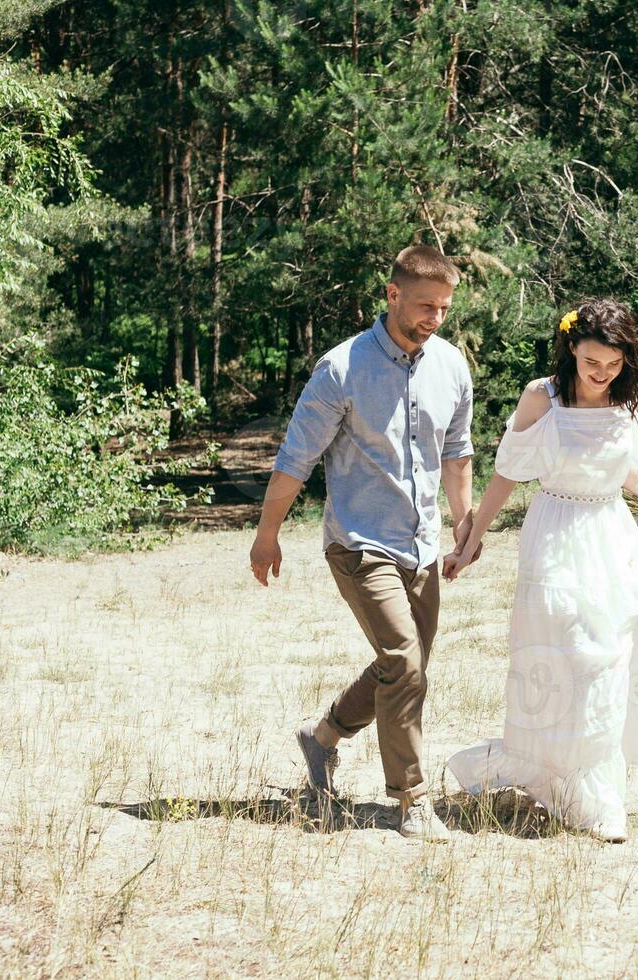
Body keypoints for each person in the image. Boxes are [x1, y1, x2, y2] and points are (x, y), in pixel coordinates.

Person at [443, 299, 638, 843]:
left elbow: (625, 474)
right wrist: (473, 537)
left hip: (608, 532)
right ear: (571, 347)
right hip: (555, 533)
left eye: (613, 365)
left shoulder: (624, 402)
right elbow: (506, 474)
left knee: (606, 656)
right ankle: (552, 773)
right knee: (562, 653)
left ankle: (594, 791)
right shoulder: (541, 398)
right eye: (594, 361)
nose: (602, 373)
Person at [249, 245, 477, 841]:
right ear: (392, 294)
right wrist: (267, 534)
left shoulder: (452, 366)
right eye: (425, 305)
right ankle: (412, 799)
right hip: (357, 540)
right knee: (405, 661)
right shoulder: (342, 368)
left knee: (402, 667)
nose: (434, 317)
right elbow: (297, 456)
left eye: (444, 308)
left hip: (422, 544)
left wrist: (462, 522)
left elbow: (456, 452)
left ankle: (321, 738)